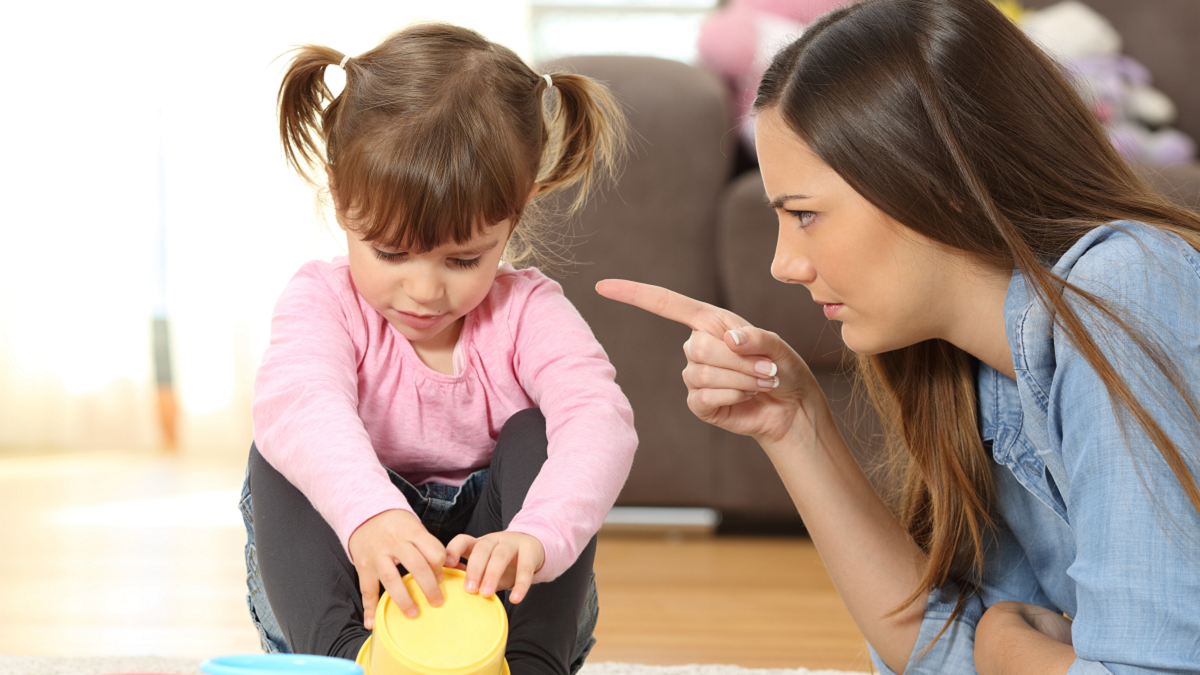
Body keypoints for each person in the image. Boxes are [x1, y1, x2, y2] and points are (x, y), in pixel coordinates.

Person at [597, 0, 1200, 673]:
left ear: (937, 182)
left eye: (804, 215)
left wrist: (1002, 647)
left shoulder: (1126, 288)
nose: (784, 265)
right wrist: (792, 423)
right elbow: (943, 659)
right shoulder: (981, 370)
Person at [239, 23, 636, 675]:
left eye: (463, 258)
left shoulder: (529, 311)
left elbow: (601, 421)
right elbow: (300, 401)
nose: (424, 290)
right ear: (340, 198)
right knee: (284, 442)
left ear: (517, 211)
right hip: (359, 599)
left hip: (498, 622)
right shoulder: (322, 300)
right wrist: (370, 516)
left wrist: (538, 535)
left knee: (543, 429)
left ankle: (531, 663)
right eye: (391, 252)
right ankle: (345, 660)